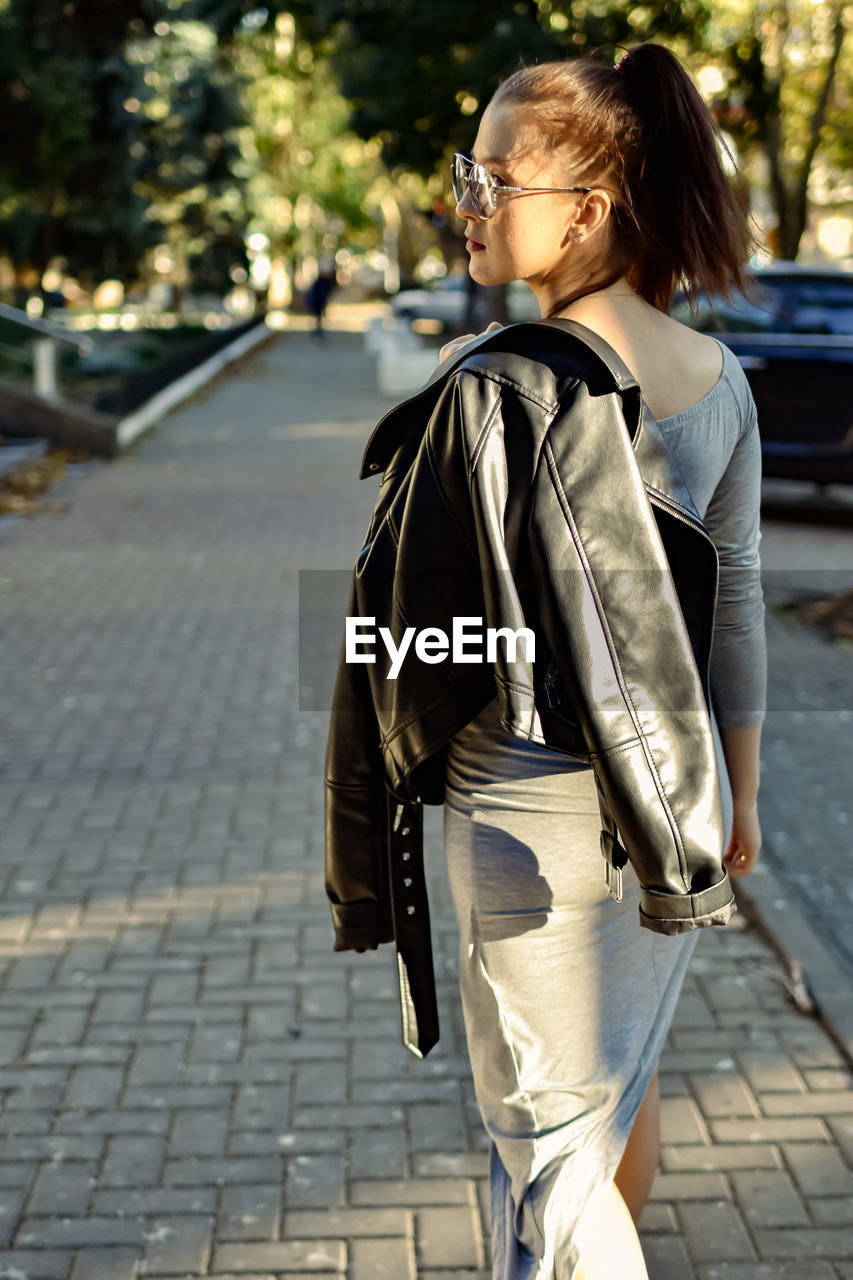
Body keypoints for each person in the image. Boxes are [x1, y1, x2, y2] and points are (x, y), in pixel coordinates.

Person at [325, 41, 766, 1280]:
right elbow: (729, 615)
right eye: (466, 173)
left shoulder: (491, 389)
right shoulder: (718, 382)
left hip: (525, 814)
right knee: (612, 1089)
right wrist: (741, 792)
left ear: (584, 209)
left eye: (491, 179)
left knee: (547, 1147)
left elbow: (408, 634)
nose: (462, 202)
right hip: (673, 804)